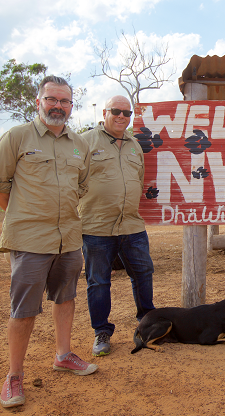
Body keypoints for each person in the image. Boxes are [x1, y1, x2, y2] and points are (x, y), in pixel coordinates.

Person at [0, 76, 97, 409]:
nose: (58, 106)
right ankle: (14, 375)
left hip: (68, 239)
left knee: (66, 298)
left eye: (64, 101)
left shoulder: (79, 144)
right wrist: (23, 217)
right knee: (25, 309)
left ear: (71, 106)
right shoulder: (17, 137)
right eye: (52, 99)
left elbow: (82, 185)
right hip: (30, 240)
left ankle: (63, 355)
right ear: (39, 101)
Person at [79, 95, 155, 357]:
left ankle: (148, 323)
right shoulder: (86, 141)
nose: (122, 116)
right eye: (116, 111)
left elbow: (139, 180)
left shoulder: (135, 146)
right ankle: (102, 331)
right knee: (98, 282)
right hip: (96, 227)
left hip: (132, 225)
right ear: (105, 112)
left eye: (127, 112)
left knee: (143, 274)